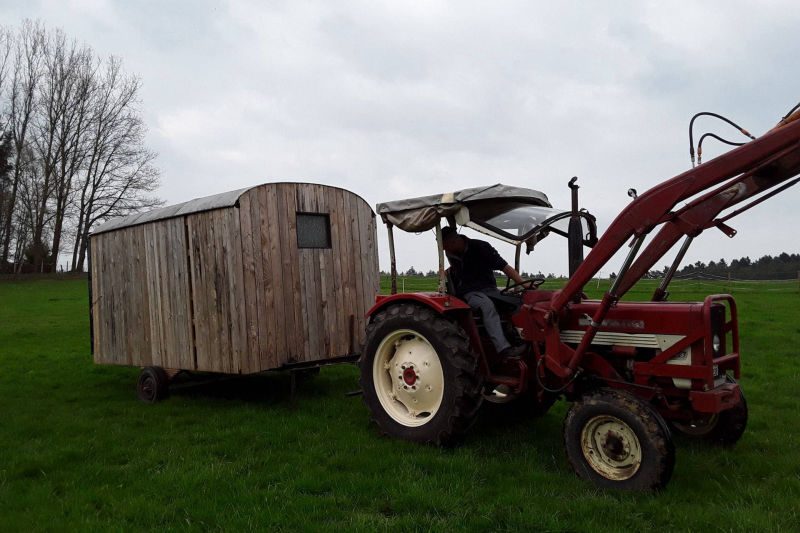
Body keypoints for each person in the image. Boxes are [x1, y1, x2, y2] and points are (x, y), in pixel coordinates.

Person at [441, 226, 527, 358]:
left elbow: (504, 266)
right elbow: (460, 268)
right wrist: (450, 270)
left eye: (445, 247)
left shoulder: (481, 247)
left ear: (453, 241)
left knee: (518, 302)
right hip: (469, 292)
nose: (445, 251)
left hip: (489, 289)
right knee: (486, 305)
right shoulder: (451, 253)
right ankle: (503, 349)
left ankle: (521, 338)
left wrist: (523, 283)